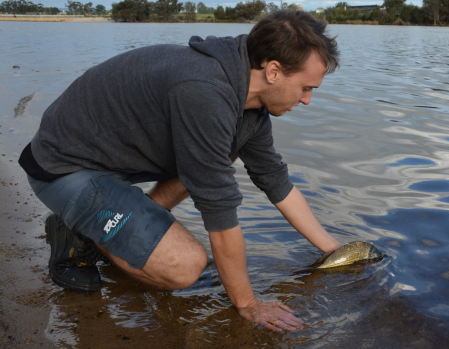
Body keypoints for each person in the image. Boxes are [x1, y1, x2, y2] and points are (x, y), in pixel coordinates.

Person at [18, 10, 343, 332]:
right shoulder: (204, 90)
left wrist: (334, 250)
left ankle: (110, 222)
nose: (308, 100)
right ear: (273, 70)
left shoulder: (249, 107)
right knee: (184, 266)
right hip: (62, 167)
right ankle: (82, 231)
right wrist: (248, 304)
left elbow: (276, 181)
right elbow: (220, 214)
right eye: (305, 88)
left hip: (111, 162)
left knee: (219, 155)